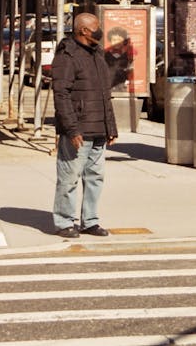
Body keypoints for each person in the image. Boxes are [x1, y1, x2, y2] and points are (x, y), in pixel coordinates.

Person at [52, 12, 118, 238]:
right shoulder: (67, 55)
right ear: (83, 30)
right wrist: (71, 129)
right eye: (96, 27)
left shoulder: (97, 53)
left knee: (95, 177)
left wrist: (111, 127)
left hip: (99, 128)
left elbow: (104, 94)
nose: (100, 30)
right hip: (78, 130)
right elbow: (61, 94)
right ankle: (64, 221)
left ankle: (89, 220)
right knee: (69, 178)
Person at [104, 26, 135, 91]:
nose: (116, 42)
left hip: (123, 88)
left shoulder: (128, 56)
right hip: (108, 88)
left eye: (119, 40)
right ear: (110, 40)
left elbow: (130, 70)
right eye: (114, 40)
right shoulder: (105, 55)